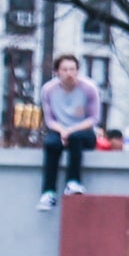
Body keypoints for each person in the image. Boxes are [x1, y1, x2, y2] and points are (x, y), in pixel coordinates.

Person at [34, 55, 102, 209]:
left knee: (76, 139)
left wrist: (70, 131)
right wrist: (62, 131)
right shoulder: (48, 90)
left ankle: (73, 182)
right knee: (51, 144)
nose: (69, 73)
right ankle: (48, 192)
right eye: (64, 69)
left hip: (83, 131)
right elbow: (49, 120)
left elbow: (94, 118)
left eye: (72, 69)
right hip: (60, 130)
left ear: (77, 71)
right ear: (57, 72)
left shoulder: (89, 88)